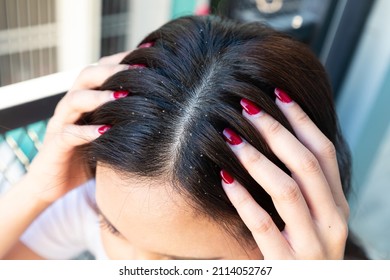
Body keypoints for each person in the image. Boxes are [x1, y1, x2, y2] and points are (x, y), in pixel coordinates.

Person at [0, 15, 356, 259]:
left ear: (292, 226)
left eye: (179, 263)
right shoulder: (100, 202)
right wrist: (36, 190)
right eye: (114, 230)